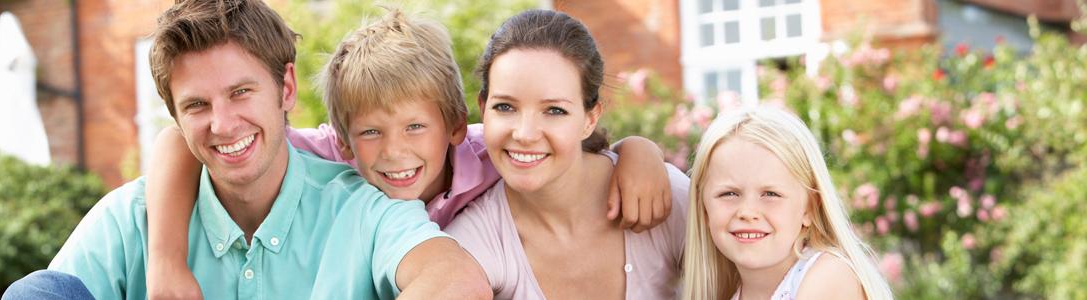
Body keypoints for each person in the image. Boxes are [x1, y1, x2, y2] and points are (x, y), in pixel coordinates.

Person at [142, 8, 676, 298]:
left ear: (451, 124)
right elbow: (182, 140)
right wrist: (165, 264)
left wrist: (639, 151)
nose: (394, 152)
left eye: (415, 126)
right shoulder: (333, 154)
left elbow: (562, 141)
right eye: (372, 133)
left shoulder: (490, 149)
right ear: (347, 140)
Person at [5, 0, 490, 298]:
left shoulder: (365, 208)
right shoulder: (134, 220)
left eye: (241, 92)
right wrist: (165, 261)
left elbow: (456, 280)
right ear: (175, 117)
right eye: (196, 104)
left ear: (286, 89)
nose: (223, 124)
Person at [443, 9, 691, 299]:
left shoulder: (666, 199)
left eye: (555, 110)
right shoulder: (475, 240)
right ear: (483, 109)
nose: (525, 134)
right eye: (505, 107)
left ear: (590, 118)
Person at [681, 106, 895, 299]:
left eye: (770, 194)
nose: (747, 212)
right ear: (704, 208)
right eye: (729, 194)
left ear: (810, 207)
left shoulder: (829, 275)